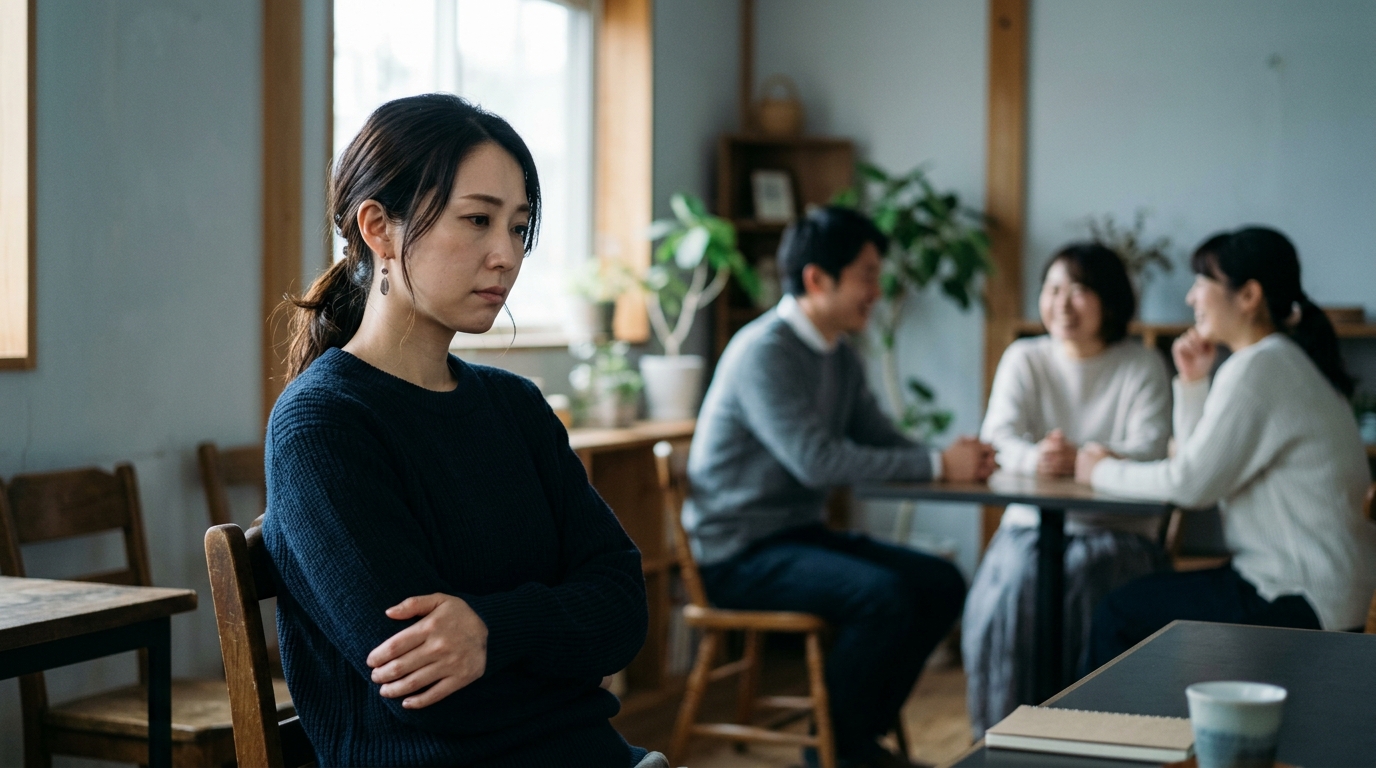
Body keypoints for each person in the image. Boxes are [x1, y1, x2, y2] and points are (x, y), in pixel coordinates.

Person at [261, 94, 660, 767]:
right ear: (378, 229)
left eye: (519, 227)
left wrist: (491, 630)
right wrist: (561, 636)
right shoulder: (323, 425)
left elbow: (624, 609)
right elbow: (432, 695)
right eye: (477, 220)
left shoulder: (517, 407)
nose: (505, 255)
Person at [682, 206, 994, 768]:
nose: (878, 290)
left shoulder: (839, 355)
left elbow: (879, 436)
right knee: (883, 598)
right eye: (868, 275)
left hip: (798, 536)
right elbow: (817, 462)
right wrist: (936, 466)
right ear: (816, 279)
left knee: (942, 582)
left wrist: (956, 459)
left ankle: (848, 736)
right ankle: (835, 750)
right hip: (737, 553)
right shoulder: (765, 352)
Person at [1079, 226, 1376, 667]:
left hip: (1297, 595)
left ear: (1249, 295)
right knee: (1141, 601)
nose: (1191, 298)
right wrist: (1195, 383)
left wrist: (1098, 470)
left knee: (1118, 614)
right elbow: (1199, 464)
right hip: (1319, 590)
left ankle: (1107, 736)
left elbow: (1191, 484)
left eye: (1202, 282)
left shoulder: (1261, 367)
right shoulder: (1279, 360)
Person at [962, 244, 1172, 737]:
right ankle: (1005, 735)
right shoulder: (1024, 357)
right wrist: (1038, 458)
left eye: (1079, 291)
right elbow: (998, 440)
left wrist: (1081, 457)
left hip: (1117, 534)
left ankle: (1087, 737)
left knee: (1083, 578)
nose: (1062, 304)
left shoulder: (1140, 364)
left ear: (1112, 301)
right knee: (1012, 585)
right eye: (1053, 290)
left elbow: (1151, 448)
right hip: (1029, 529)